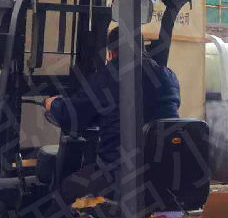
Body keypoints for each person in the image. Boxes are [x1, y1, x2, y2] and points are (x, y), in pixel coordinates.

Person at [42, 26, 181, 203]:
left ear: (111, 53)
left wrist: (53, 104)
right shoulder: (168, 77)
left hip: (121, 175)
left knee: (66, 189)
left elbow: (72, 116)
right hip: (166, 172)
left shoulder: (109, 76)